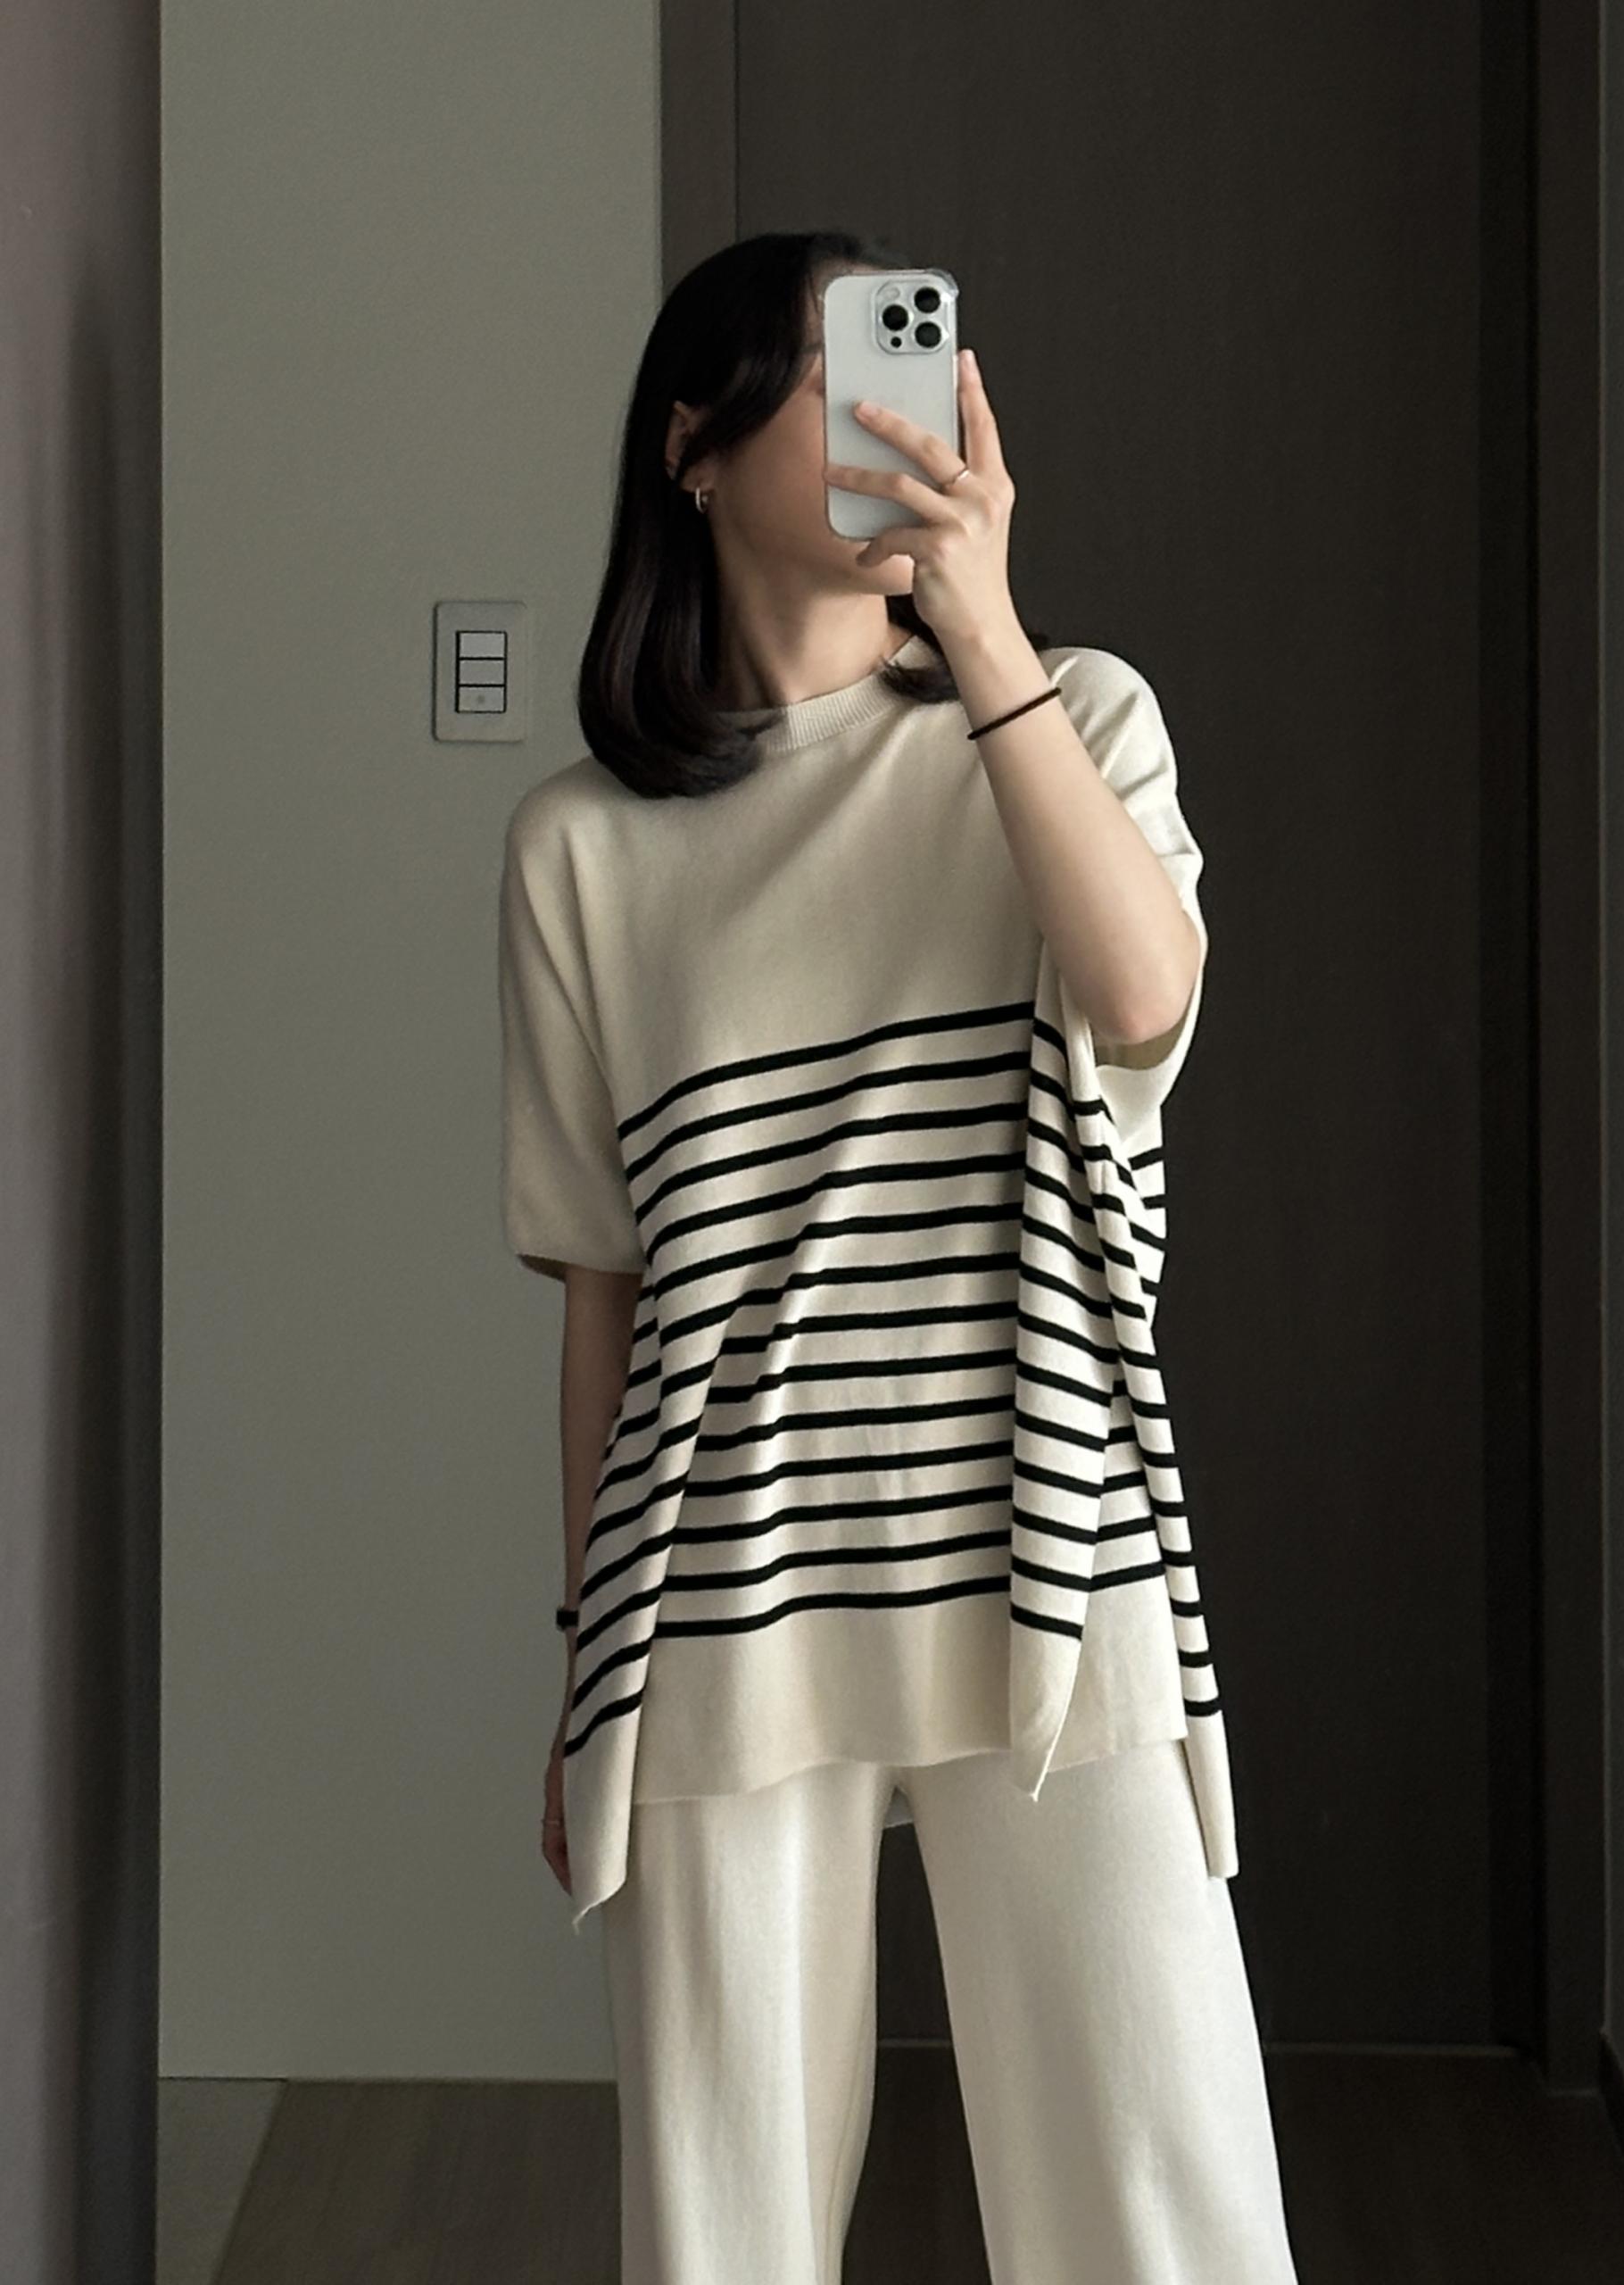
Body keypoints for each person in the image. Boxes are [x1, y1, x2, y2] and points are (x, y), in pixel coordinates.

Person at [497, 228, 1300, 2283]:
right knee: (723, 2231)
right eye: (839, 368)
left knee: (1162, 2204)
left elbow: (1144, 1000)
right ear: (693, 441)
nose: (902, 415)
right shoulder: (581, 846)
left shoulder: (1069, 715)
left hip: (1048, 1532)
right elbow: (605, 1289)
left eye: (916, 366)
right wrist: (582, 1664)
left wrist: (986, 623)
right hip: (719, 1579)